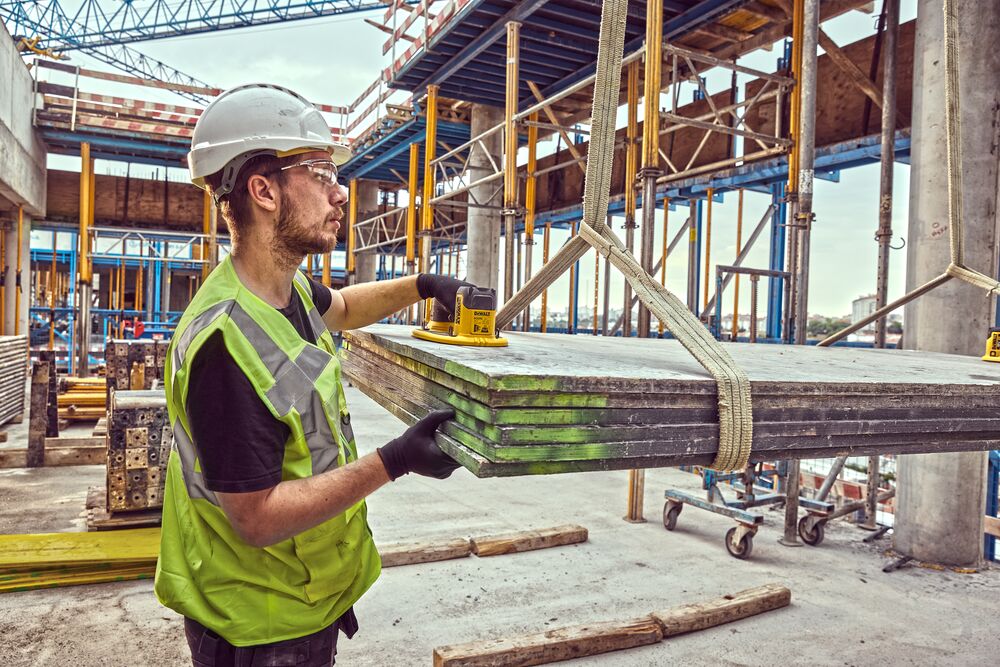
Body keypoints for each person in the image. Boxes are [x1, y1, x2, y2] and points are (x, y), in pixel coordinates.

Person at [154, 83, 472, 666]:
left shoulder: (287, 289)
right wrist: (394, 461)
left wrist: (424, 286)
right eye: (321, 172)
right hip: (257, 622)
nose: (341, 191)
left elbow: (346, 308)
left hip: (296, 598)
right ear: (263, 190)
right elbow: (255, 517)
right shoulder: (225, 346)